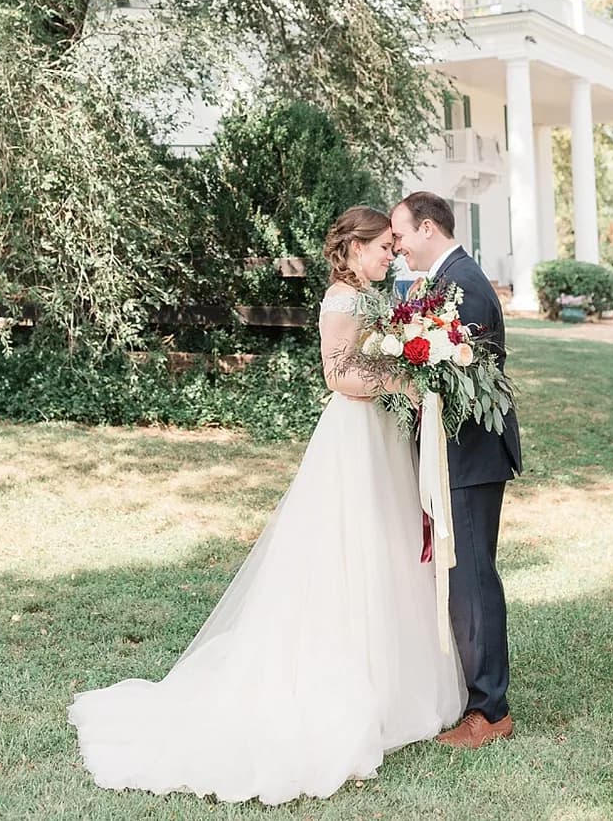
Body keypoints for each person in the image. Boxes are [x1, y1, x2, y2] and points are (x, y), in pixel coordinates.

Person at [68, 205, 465, 804]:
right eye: (383, 246)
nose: (391, 255)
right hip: (353, 436)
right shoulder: (342, 301)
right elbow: (339, 376)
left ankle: (396, 677)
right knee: (351, 543)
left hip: (379, 435)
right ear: (355, 249)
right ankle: (357, 679)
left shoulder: (370, 298)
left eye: (392, 245)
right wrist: (405, 377)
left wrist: (407, 358)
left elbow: (370, 360)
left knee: (386, 542)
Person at [390, 189, 523, 748]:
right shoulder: (447, 279)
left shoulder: (462, 285)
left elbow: (459, 376)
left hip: (468, 454)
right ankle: (476, 697)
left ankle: (490, 712)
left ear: (427, 228)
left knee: (471, 580)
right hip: (455, 454)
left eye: (399, 235)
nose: (397, 248)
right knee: (462, 575)